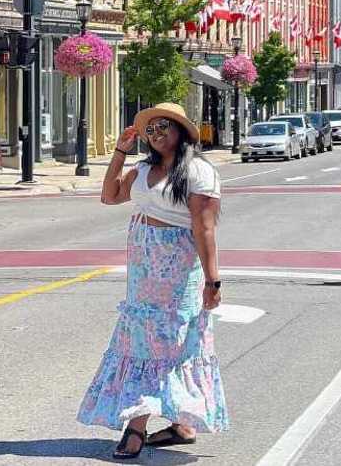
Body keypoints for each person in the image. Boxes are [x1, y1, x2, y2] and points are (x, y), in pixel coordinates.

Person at [76, 102, 228, 460]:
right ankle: (181, 425)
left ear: (182, 132)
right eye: (152, 130)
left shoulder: (197, 172)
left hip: (176, 269)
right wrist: (119, 152)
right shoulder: (144, 169)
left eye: (164, 128)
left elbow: (204, 228)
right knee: (150, 342)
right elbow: (109, 196)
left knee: (165, 343)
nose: (157, 135)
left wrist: (213, 281)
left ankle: (137, 426)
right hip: (143, 269)